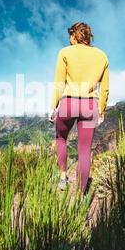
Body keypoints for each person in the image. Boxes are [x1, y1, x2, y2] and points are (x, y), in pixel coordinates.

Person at [49, 22, 109, 194]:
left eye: (70, 36)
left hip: (69, 102)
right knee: (84, 149)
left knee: (61, 138)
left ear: (75, 35)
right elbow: (104, 88)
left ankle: (62, 178)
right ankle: (82, 194)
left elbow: (59, 82)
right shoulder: (101, 55)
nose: (69, 40)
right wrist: (102, 109)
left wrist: (53, 106)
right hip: (90, 105)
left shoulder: (65, 52)